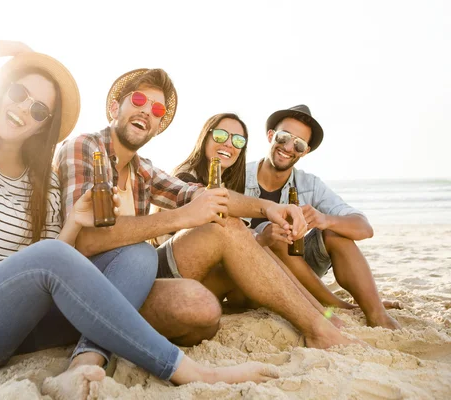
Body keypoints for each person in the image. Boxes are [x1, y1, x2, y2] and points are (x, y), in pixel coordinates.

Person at [0, 36, 281, 400]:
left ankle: (84, 362)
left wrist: (74, 222)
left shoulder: (40, 184)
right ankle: (189, 371)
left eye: (40, 110)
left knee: (137, 253)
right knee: (58, 254)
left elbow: (48, 266)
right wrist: (21, 51)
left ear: (44, 125)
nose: (24, 109)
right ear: (0, 91)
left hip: (15, 331)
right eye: (18, 93)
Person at [55, 69, 361, 376]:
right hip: (89, 282)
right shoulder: (85, 147)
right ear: (114, 108)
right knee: (211, 265)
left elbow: (203, 196)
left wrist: (268, 207)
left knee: (207, 298)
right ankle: (320, 324)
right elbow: (87, 240)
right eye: (138, 100)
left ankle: (318, 324)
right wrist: (181, 217)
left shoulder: (144, 169)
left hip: (140, 272)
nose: (147, 112)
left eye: (157, 109)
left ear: (159, 126)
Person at [165, 112, 347, 328]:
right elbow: (210, 222)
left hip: (212, 280)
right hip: (178, 279)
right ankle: (321, 312)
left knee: (267, 242)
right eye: (221, 135)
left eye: (238, 140)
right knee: (259, 242)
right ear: (206, 136)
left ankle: (320, 311)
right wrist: (266, 218)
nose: (229, 144)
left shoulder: (227, 181)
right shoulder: (185, 180)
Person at [244, 104, 401, 330]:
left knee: (336, 232)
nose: (288, 147)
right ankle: (339, 305)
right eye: (283, 137)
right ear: (270, 136)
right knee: (277, 232)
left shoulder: (309, 184)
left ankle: (378, 315)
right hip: (249, 271)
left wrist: (324, 220)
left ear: (304, 151)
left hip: (298, 271)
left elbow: (364, 228)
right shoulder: (239, 175)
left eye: (298, 143)